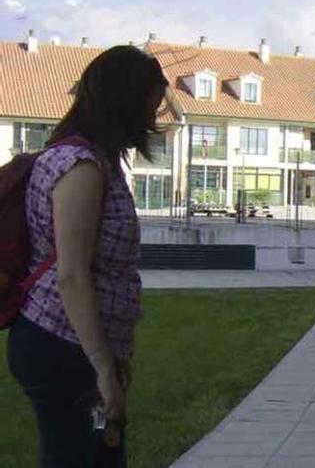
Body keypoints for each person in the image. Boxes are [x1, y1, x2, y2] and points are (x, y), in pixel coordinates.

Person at [6, 45, 168, 467]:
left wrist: (114, 357)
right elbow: (72, 275)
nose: (153, 120)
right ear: (123, 102)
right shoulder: (79, 166)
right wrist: (102, 367)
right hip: (61, 345)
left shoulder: (98, 160)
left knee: (102, 455)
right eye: (149, 107)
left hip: (77, 347)